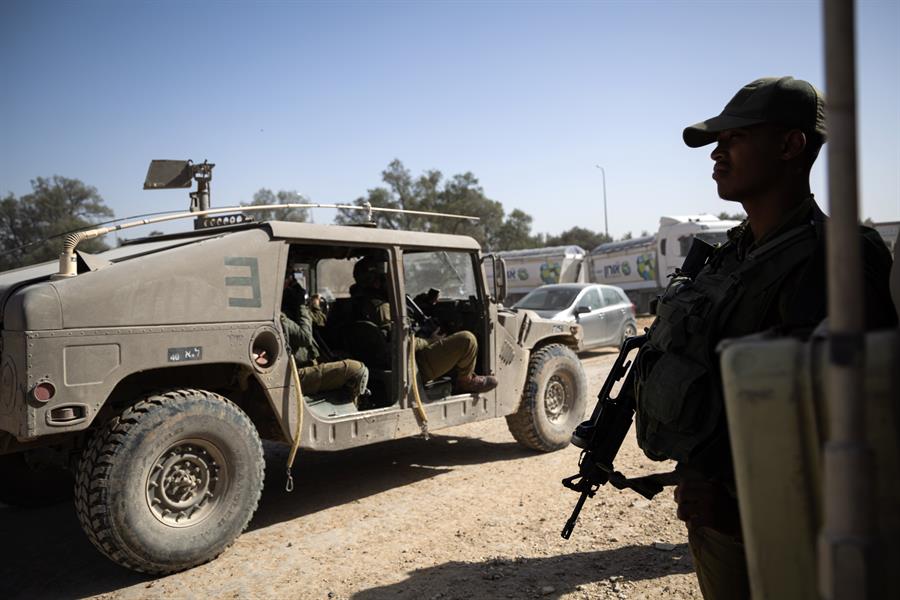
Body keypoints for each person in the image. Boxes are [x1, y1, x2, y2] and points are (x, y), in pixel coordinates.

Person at [630, 76, 896, 599]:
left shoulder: (837, 258)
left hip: (786, 528)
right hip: (718, 514)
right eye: (717, 145)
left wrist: (743, 505)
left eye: (735, 140)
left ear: (791, 145)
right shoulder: (735, 253)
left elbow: (860, 427)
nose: (717, 157)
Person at [350, 255, 498, 394]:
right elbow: (399, 344)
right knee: (467, 340)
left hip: (373, 363)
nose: (394, 282)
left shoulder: (354, 304)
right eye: (387, 278)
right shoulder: (383, 309)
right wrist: (430, 341)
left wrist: (422, 303)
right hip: (409, 364)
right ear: (376, 282)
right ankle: (465, 381)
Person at [277, 282, 370, 407]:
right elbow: (305, 337)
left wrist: (313, 306)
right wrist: (301, 305)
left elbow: (320, 322)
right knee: (358, 370)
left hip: (308, 365)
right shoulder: (280, 317)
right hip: (296, 376)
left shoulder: (291, 311)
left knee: (344, 355)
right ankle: (354, 408)